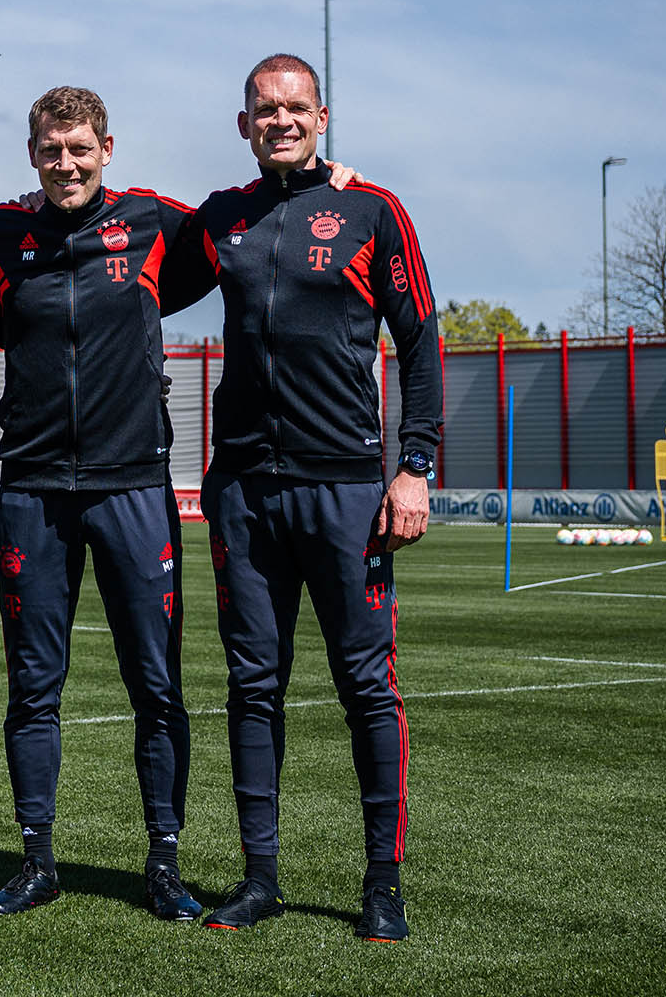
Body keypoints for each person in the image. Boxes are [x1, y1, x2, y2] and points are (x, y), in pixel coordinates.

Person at [161, 53, 440, 942]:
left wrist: (415, 465)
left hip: (349, 486)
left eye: (295, 108)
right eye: (263, 110)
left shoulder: (371, 210)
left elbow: (421, 341)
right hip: (243, 490)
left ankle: (382, 884)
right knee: (253, 686)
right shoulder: (222, 221)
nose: (279, 120)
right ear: (244, 125)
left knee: (366, 684)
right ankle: (258, 878)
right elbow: (124, 266)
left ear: (321, 117)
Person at [0, 86, 202, 919]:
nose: (65, 164)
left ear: (107, 148)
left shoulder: (159, 223)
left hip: (134, 485)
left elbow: (254, 235)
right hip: (31, 490)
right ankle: (37, 861)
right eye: (50, 150)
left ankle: (164, 861)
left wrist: (329, 178)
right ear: (32, 154)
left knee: (155, 685)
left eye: (80, 149)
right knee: (33, 686)